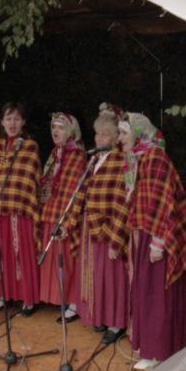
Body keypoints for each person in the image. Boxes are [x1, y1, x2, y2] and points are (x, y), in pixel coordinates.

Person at [119, 112, 186, 371]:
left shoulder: (156, 158)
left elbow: (164, 203)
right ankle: (152, 346)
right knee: (146, 291)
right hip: (144, 233)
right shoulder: (138, 158)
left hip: (156, 236)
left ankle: (159, 352)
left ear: (138, 133)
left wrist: (158, 242)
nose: (120, 139)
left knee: (157, 294)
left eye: (124, 133)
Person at [0, 102, 42, 315]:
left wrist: (14, 198)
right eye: (8, 119)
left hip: (19, 210)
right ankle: (4, 295)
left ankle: (28, 299)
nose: (12, 123)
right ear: (2, 122)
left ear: (23, 122)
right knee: (0, 255)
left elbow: (27, 179)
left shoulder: (30, 146)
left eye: (16, 119)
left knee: (21, 255)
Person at [70, 112, 130, 345]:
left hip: (109, 228)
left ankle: (116, 324)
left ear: (115, 138)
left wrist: (116, 239)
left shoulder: (121, 161)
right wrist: (71, 220)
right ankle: (102, 316)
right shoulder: (95, 160)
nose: (99, 138)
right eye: (97, 134)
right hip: (91, 226)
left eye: (105, 134)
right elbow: (81, 191)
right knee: (96, 274)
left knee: (112, 276)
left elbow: (122, 202)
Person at [36, 113, 86, 312]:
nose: (56, 131)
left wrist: (69, 221)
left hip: (65, 217)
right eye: (54, 127)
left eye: (61, 128)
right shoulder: (55, 154)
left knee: (66, 261)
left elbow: (78, 192)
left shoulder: (78, 156)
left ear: (71, 131)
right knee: (53, 261)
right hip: (51, 212)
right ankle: (57, 298)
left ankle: (72, 301)